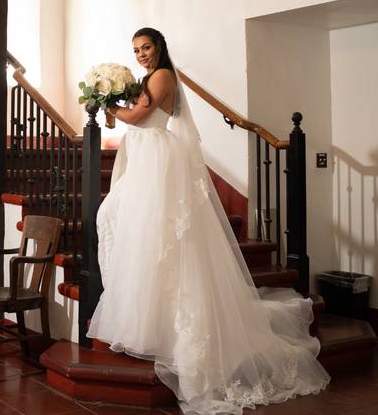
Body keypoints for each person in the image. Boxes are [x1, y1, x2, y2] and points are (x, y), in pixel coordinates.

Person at [87, 27, 330, 415]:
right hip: (146, 156)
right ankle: (152, 321)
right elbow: (135, 118)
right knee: (131, 228)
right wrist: (115, 105)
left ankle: (178, 330)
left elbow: (142, 114)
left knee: (160, 234)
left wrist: (107, 106)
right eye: (136, 50)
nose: (142, 54)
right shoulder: (146, 78)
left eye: (146, 47)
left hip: (156, 162)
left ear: (159, 47)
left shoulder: (163, 75)